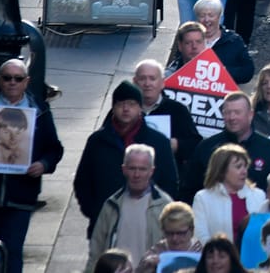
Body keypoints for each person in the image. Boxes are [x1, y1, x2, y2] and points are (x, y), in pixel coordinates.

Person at [0, 59, 64, 273]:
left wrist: (44, 164)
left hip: (20, 198)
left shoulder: (39, 111)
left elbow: (54, 148)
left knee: (13, 252)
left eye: (18, 78)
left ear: (26, 82)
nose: (12, 82)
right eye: (7, 78)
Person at [75, 80, 178, 235]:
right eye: (120, 104)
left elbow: (170, 182)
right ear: (113, 107)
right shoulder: (97, 141)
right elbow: (83, 181)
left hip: (147, 228)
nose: (125, 109)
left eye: (131, 104)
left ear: (140, 108)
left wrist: (157, 215)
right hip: (105, 228)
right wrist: (96, 212)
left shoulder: (158, 142)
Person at [180, 91, 270, 202]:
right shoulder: (207, 147)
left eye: (237, 112)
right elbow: (189, 189)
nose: (232, 117)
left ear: (250, 115)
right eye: (227, 113)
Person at [87, 143, 172, 271]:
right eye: (132, 168)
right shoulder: (111, 205)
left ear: (151, 171)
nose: (137, 174)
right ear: (124, 169)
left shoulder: (165, 206)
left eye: (142, 169)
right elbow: (96, 249)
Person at [191, 143, 266, 242]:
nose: (244, 172)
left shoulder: (259, 195)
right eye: (238, 167)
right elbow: (200, 236)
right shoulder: (203, 198)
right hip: (216, 255)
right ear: (222, 171)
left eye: (245, 167)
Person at [134, 203, 201, 273]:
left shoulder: (203, 253)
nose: (175, 238)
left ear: (192, 230)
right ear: (163, 231)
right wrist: (146, 269)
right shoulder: (153, 254)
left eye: (180, 233)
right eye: (169, 233)